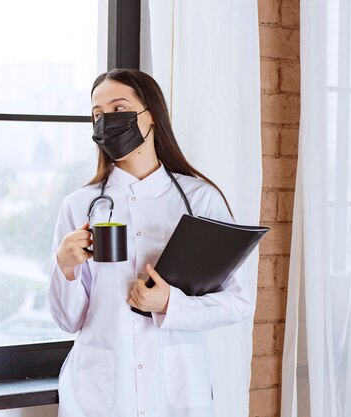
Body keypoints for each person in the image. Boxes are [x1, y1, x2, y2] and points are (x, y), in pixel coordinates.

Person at [47, 68, 256, 417]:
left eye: (118, 109)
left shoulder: (199, 199)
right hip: (100, 392)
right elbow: (69, 321)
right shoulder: (79, 206)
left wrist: (169, 303)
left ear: (152, 116)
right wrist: (65, 267)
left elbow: (238, 302)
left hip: (175, 390)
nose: (106, 122)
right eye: (97, 114)